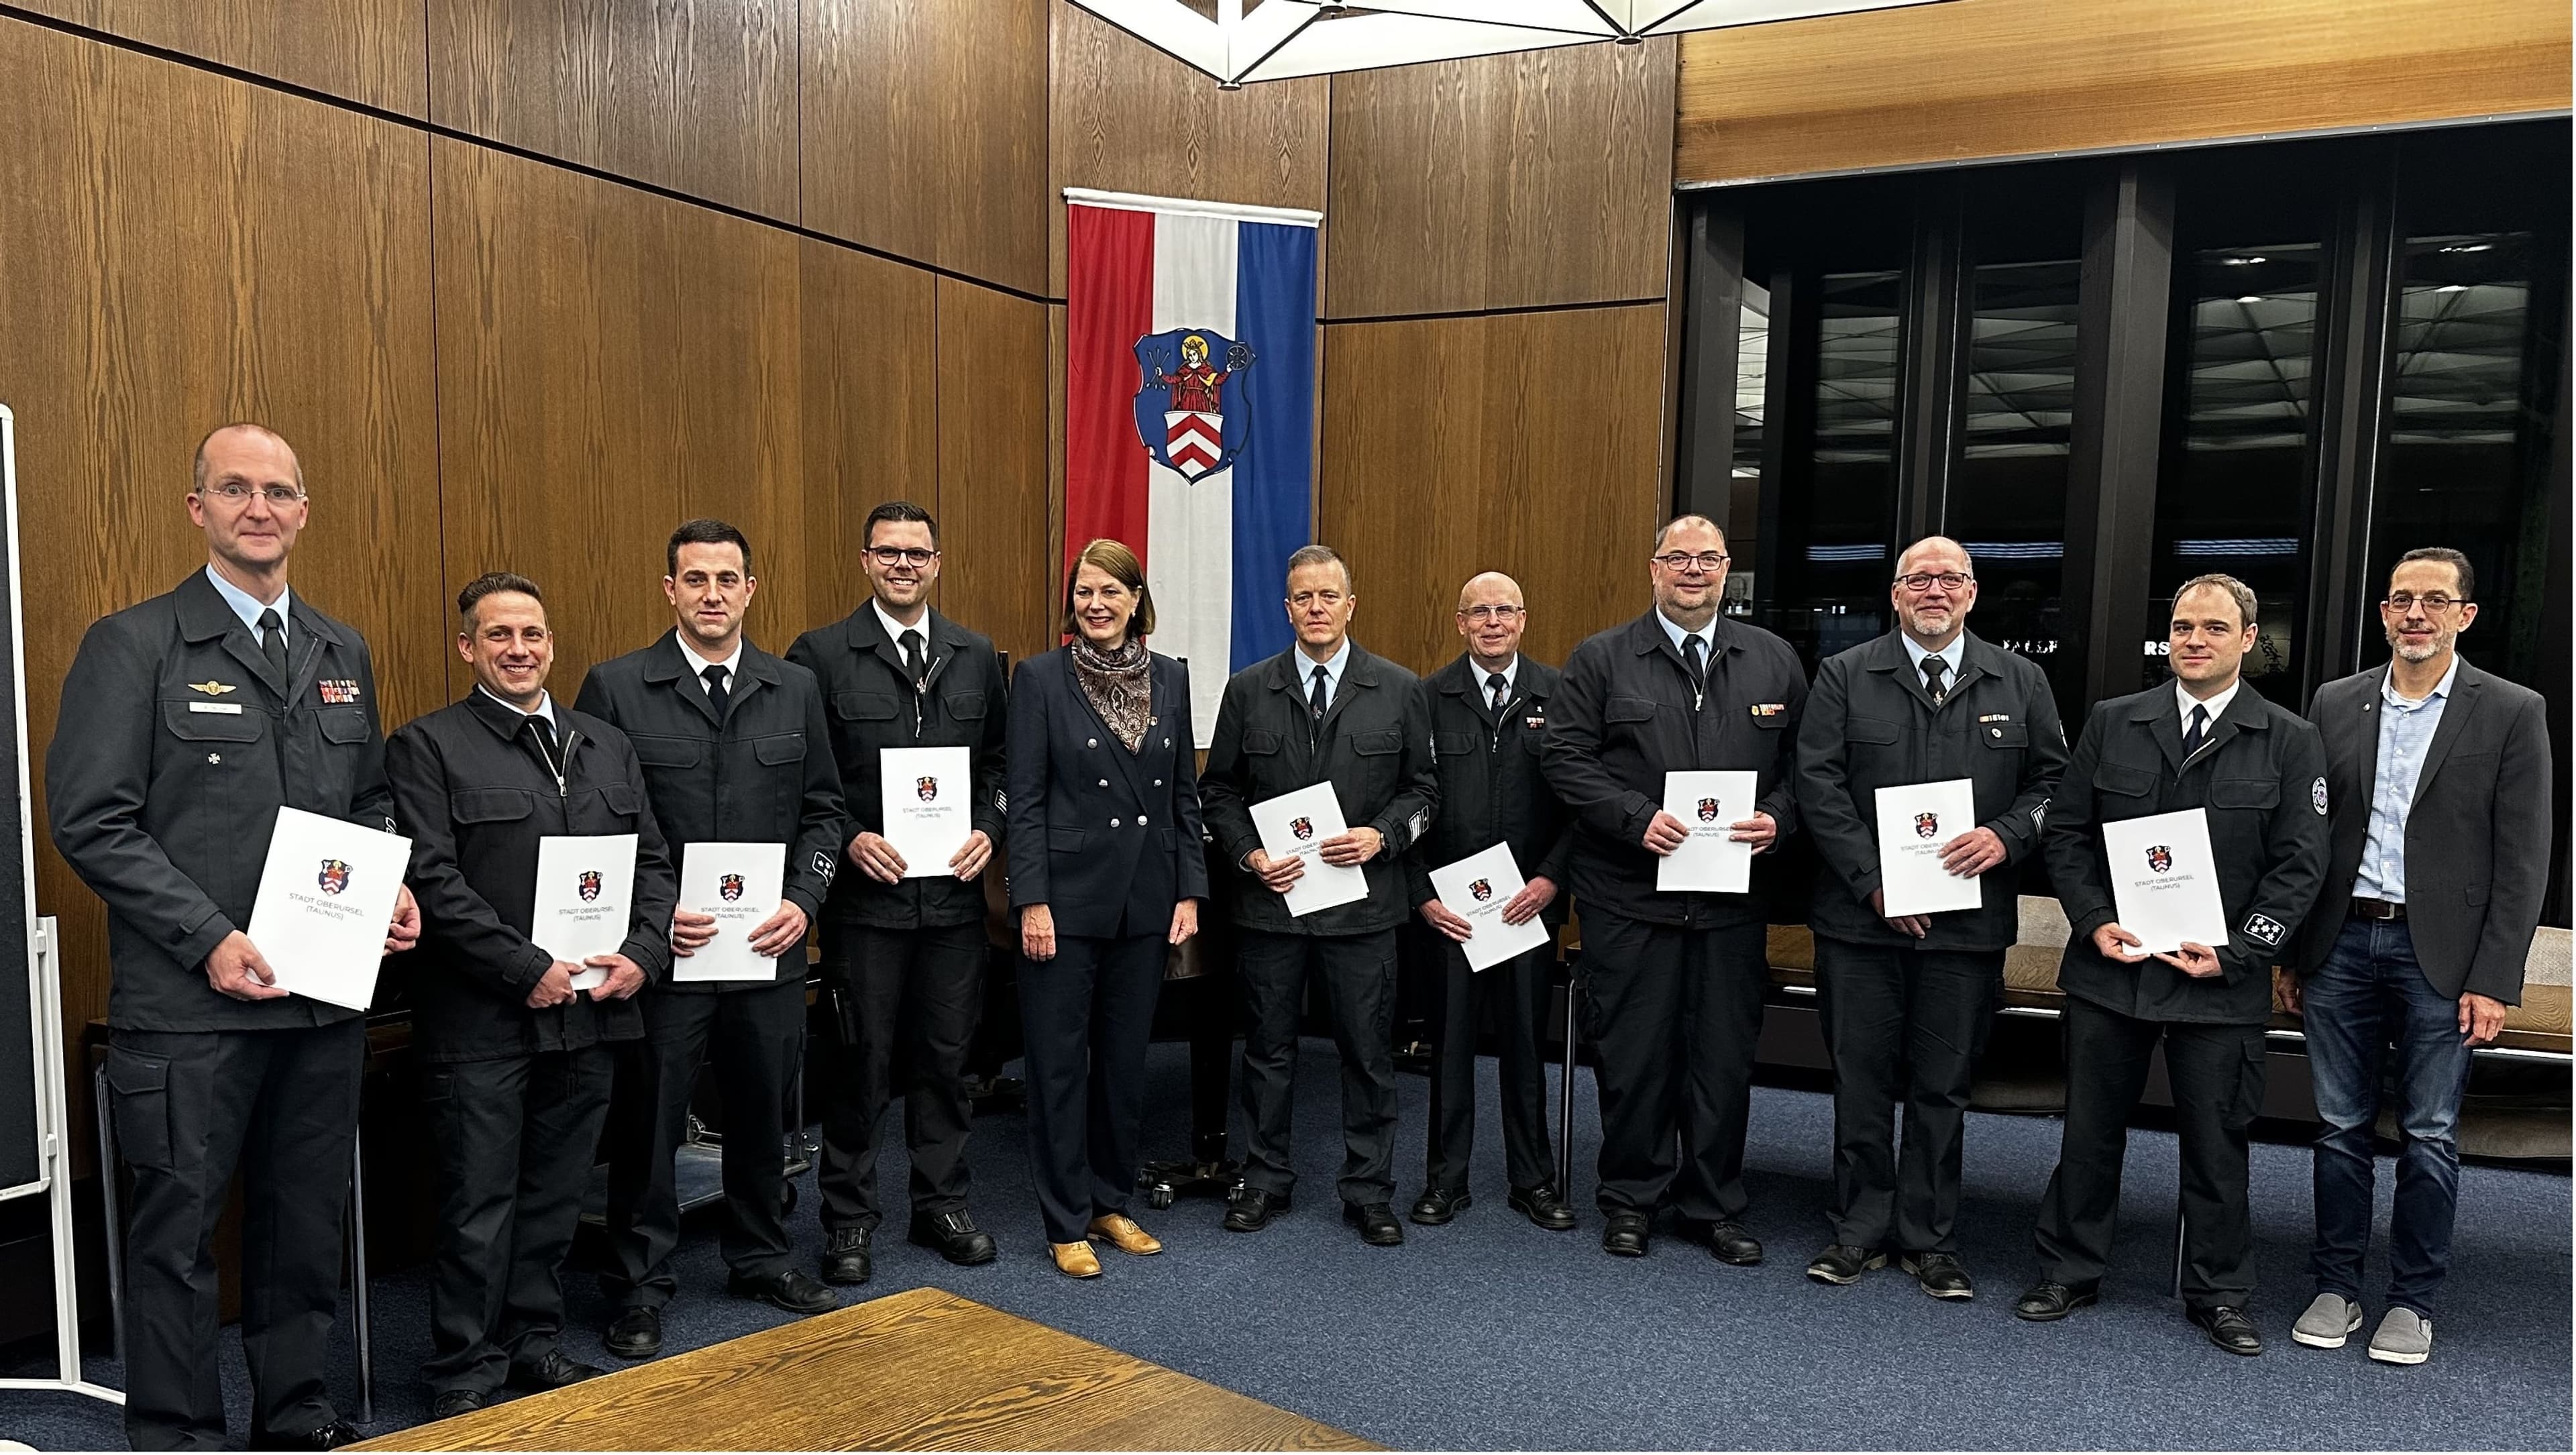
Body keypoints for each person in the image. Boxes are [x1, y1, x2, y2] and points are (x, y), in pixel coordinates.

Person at [47, 424, 419, 1451]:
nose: (260, 508)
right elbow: (92, 820)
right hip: (189, 1010)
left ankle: (295, 1416)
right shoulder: (135, 645)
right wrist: (207, 935)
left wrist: (388, 883)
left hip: (320, 1002)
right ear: (198, 508)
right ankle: (180, 1438)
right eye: (235, 489)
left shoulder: (342, 649)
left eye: (279, 491)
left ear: (304, 511)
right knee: (175, 1243)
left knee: (304, 1227)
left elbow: (371, 797)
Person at [386, 572, 678, 1417]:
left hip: (590, 1015)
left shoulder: (605, 744)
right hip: (481, 1021)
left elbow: (652, 864)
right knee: (478, 1202)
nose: (520, 650)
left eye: (533, 635)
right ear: (467, 647)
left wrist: (643, 954)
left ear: (551, 644)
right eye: (499, 635)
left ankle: (532, 1341)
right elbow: (432, 881)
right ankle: (466, 1369)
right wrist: (525, 968)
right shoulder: (426, 747)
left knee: (555, 1193)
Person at [2017, 573, 2330, 1356]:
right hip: (2112, 971)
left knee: (2218, 1145)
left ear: (2248, 640)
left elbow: (2301, 864)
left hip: (2219, 982)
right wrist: (2093, 922)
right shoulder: (2114, 721)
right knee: (2089, 1134)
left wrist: (2241, 951)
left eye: (2215, 628)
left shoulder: (2288, 738)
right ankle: (2068, 1270)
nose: (2195, 640)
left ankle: (2219, 1292)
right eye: (2184, 626)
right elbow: (2068, 835)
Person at [582, 521, 846, 1357]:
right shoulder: (617, 688)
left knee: (763, 1111)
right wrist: (648, 919)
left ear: (750, 590)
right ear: (670, 590)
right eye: (695, 579)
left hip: (768, 949)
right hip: (667, 958)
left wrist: (805, 899)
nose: (712, 594)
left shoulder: (793, 688)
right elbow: (592, 825)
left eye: (727, 579)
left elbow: (825, 812)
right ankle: (637, 1286)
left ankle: (761, 1257)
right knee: (649, 1122)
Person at [2286, 547, 2553, 1366]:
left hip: (2443, 956)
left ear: (2465, 615)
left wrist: (2494, 979)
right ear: (2383, 613)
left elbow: (2524, 860)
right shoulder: (2336, 702)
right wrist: (2293, 952)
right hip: (2339, 944)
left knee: (2430, 1134)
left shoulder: (2510, 710)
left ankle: (2412, 1301)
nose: (2416, 614)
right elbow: (2308, 835)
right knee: (2338, 1128)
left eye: (2435, 601)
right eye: (2402, 599)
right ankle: (2336, 1287)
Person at [1791, 537, 2066, 1298]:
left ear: (1972, 593)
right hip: (1861, 924)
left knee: (1944, 1088)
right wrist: (1872, 882)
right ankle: (1858, 1228)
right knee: (1861, 1081)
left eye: (1950, 579)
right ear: (1896, 594)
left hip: (1967, 929)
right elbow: (1817, 785)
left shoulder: (2021, 680)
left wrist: (2007, 836)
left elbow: (2054, 786)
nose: (1934, 591)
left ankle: (1929, 1237)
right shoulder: (1845, 675)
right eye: (1919, 579)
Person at [1542, 515, 1806, 1262]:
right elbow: (1564, 758)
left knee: (1722, 1060)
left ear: (1727, 571)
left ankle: (1712, 1204)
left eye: (1708, 559)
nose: (1694, 570)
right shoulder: (1601, 658)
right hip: (1629, 897)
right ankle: (1632, 1198)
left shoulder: (1773, 659)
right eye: (1679, 558)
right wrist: (1635, 818)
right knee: (1634, 1056)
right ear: (1654, 569)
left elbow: (1808, 766)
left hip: (1731, 903)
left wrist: (1779, 818)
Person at [788, 501, 1009, 1277]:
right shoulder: (819, 655)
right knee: (861, 1065)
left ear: (937, 563)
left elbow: (1003, 766)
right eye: (889, 552)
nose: (904, 565)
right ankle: (849, 1219)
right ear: (865, 561)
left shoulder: (975, 654)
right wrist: (850, 836)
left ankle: (940, 1204)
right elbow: (804, 776)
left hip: (952, 903)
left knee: (946, 1061)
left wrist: (989, 826)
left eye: (917, 553)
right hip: (865, 905)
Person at [1200, 544, 1438, 1246]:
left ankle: (1368, 1190)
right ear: (1287, 608)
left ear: (1350, 605)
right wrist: (1248, 854)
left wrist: (1381, 836)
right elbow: (1218, 791)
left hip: (1363, 912)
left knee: (1368, 1056)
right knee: (1267, 1053)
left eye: (1328, 596)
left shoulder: (1399, 689)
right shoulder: (1249, 689)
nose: (1316, 608)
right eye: (1303, 597)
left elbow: (1426, 791)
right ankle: (1264, 1179)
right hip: (1272, 910)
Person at [1005, 539, 1208, 1278]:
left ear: (1136, 599)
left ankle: (1108, 1202)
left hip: (1146, 901)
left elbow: (1184, 794)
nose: (1097, 604)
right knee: (1059, 1067)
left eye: (1111, 591)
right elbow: (1025, 800)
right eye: (1085, 591)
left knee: (1124, 1064)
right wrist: (1030, 900)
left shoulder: (1173, 676)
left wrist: (1190, 888)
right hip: (1064, 904)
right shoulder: (1039, 679)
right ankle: (1064, 1221)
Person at [1405, 572, 1578, 1232]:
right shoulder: (1426, 698)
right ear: (1460, 623)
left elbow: (1581, 801)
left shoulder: (1560, 695)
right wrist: (1423, 895)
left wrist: (1552, 879)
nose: (1493, 622)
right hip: (1452, 916)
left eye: (1505, 610)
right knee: (1449, 1048)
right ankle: (1445, 1181)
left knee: (1527, 1047)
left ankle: (1533, 1181)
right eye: (1479, 612)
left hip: (1529, 907)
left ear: (1524, 619)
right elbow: (1404, 800)